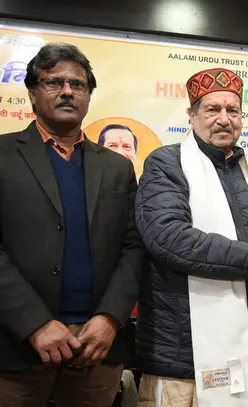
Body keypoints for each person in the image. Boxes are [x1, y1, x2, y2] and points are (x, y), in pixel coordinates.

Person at [134, 68, 248, 407]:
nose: (223, 119)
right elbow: (169, 238)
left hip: (245, 349)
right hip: (180, 358)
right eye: (212, 109)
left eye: (233, 110)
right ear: (192, 115)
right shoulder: (166, 164)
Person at [0, 43, 145, 406]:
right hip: (15, 349)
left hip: (96, 350)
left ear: (89, 95)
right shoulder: (2, 156)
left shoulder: (117, 167)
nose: (67, 91)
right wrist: (34, 324)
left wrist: (110, 319)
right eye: (54, 82)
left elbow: (134, 246)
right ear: (32, 93)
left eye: (78, 84)